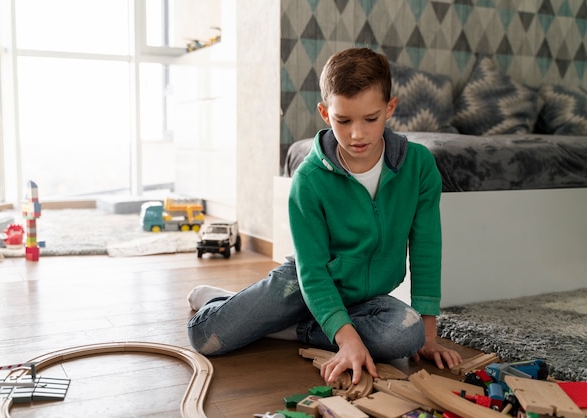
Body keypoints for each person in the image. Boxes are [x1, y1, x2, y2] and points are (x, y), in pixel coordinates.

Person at [187, 47, 462, 385]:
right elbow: (313, 271)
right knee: (207, 337)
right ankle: (223, 301)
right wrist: (348, 340)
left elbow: (426, 247)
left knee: (406, 336)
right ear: (324, 112)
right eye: (343, 120)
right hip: (304, 283)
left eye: (370, 119)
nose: (357, 134)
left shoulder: (418, 166)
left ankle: (295, 326)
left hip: (365, 297)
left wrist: (429, 335)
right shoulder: (309, 180)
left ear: (390, 108)